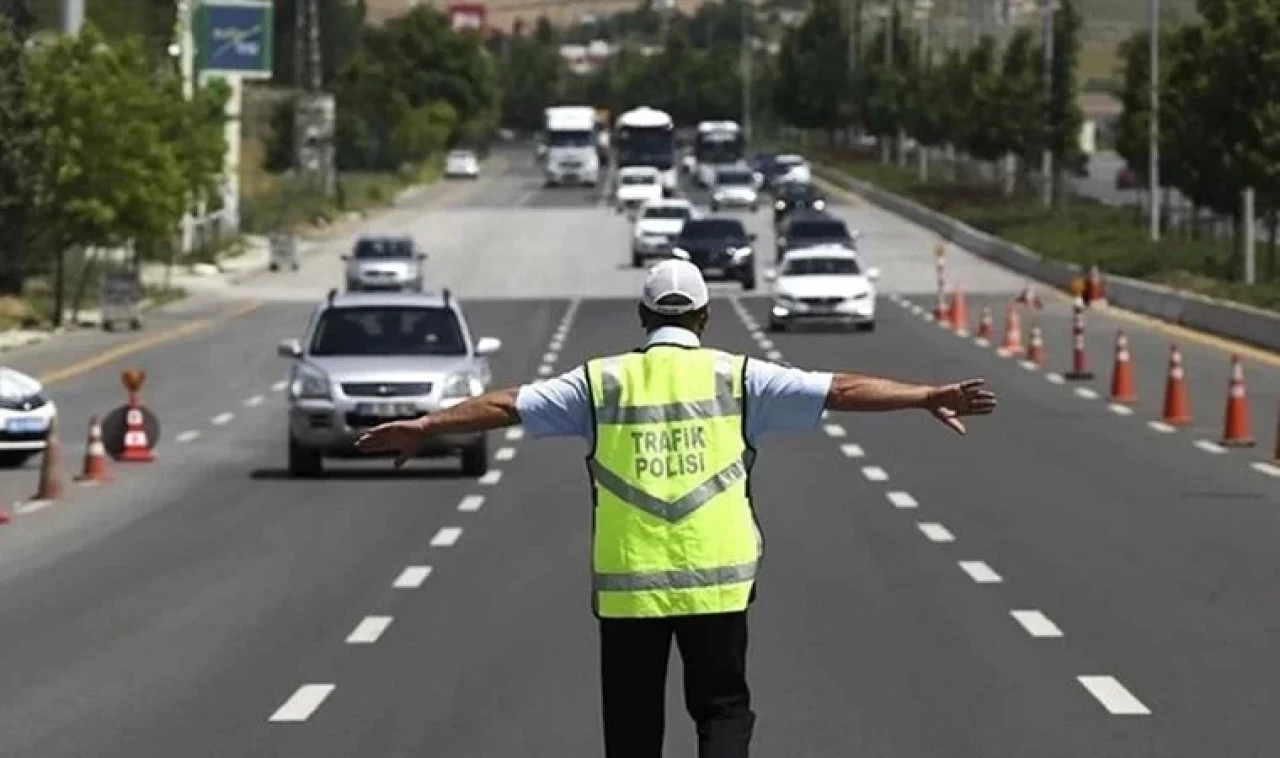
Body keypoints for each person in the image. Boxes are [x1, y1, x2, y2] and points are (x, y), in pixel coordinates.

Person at [355, 259, 997, 758]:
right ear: (705, 316)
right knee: (722, 709)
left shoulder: (599, 382)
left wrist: (427, 425)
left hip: (630, 587)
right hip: (717, 580)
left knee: (633, 725)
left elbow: (505, 404)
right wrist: (923, 395)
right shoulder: (741, 377)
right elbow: (841, 388)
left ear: (641, 315)